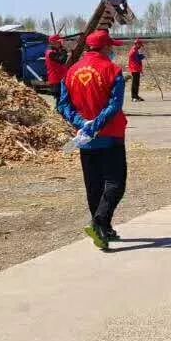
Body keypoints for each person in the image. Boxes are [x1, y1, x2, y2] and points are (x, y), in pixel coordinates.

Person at [57, 29, 128, 251]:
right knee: (116, 182)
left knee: (93, 184)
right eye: (111, 47)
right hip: (110, 135)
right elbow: (115, 105)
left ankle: (103, 230)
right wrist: (96, 125)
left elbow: (63, 105)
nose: (112, 51)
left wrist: (82, 124)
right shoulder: (112, 70)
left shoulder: (71, 72)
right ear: (105, 47)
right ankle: (98, 222)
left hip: (86, 139)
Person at [44, 34, 69, 100]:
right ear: (53, 43)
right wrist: (63, 49)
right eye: (59, 42)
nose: (60, 43)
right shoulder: (51, 53)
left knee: (62, 99)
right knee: (60, 99)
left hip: (59, 79)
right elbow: (62, 60)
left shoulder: (54, 51)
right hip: (56, 80)